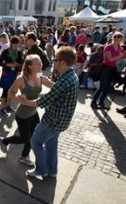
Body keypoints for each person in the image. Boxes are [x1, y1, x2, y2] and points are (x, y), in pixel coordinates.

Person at [22, 47, 79, 179]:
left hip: (53, 121)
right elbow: (58, 94)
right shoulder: (72, 75)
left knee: (35, 142)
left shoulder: (64, 80)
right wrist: (45, 94)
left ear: (63, 62)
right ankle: (52, 171)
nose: (54, 62)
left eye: (56, 60)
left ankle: (41, 170)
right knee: (51, 144)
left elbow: (40, 103)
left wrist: (23, 101)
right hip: (61, 122)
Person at [0, 55, 54, 165]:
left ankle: (24, 156)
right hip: (22, 115)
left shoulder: (41, 78)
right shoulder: (21, 79)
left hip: (34, 112)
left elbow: (56, 87)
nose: (41, 64)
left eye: (40, 63)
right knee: (25, 138)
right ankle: (6, 141)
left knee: (33, 136)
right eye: (37, 63)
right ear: (29, 66)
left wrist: (44, 94)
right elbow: (10, 93)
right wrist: (17, 99)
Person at [91, 32, 126, 110]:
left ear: (121, 39)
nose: (117, 38)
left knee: (108, 88)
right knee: (102, 87)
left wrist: (125, 57)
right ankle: (93, 102)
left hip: (113, 68)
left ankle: (101, 103)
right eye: (115, 36)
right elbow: (110, 59)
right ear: (113, 37)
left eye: (119, 37)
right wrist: (121, 56)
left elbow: (119, 59)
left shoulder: (121, 48)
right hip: (106, 68)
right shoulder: (108, 47)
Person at [0, 36, 23, 116]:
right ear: (11, 43)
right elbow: (0, 62)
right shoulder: (6, 51)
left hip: (14, 74)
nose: (15, 46)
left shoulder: (19, 52)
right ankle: (2, 108)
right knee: (5, 91)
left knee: (11, 91)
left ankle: (8, 106)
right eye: (14, 44)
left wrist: (17, 64)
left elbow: (21, 63)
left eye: (17, 44)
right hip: (7, 73)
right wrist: (8, 64)